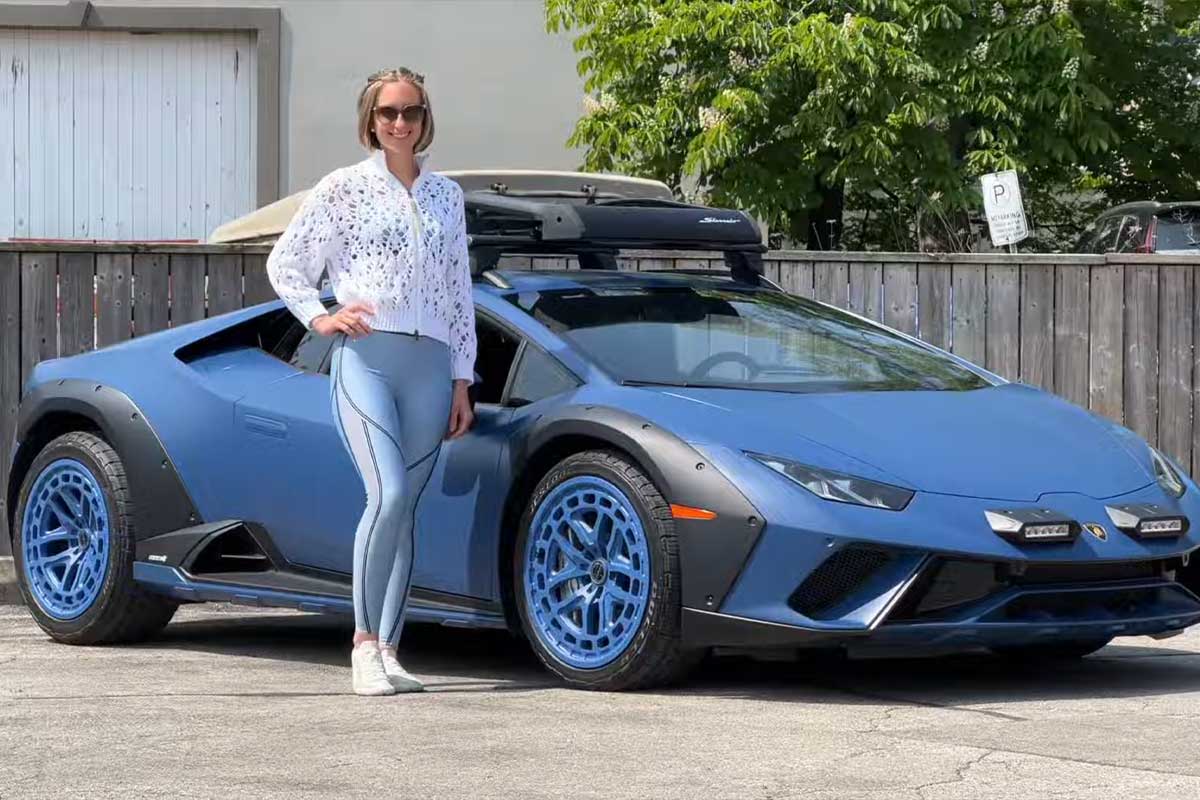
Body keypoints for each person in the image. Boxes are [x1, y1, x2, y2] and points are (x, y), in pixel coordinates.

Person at [266, 67, 477, 696]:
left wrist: (462, 379)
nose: (400, 123)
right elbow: (286, 263)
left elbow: (458, 292)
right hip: (367, 359)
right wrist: (322, 317)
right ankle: (362, 647)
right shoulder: (343, 188)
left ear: (424, 118)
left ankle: (389, 649)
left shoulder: (447, 196)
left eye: (411, 112)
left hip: (431, 367)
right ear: (371, 118)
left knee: (406, 508)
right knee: (386, 494)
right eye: (388, 112)